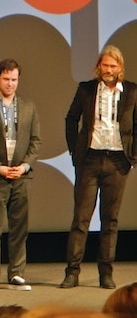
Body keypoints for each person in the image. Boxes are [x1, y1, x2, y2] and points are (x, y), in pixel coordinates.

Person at [60, 45, 136, 290]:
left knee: (110, 221)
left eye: (113, 66)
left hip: (117, 161)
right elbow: (71, 119)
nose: (109, 70)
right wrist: (75, 151)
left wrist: (132, 156)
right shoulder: (86, 89)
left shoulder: (132, 92)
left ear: (120, 68)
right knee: (81, 219)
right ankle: (72, 272)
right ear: (99, 66)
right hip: (90, 160)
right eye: (105, 65)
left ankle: (106, 273)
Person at [0, 59, 41, 292]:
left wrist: (24, 166)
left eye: (14, 79)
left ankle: (17, 274)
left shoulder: (29, 106)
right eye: (6, 79)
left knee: (19, 226)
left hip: (22, 175)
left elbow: (35, 141)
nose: (10, 84)